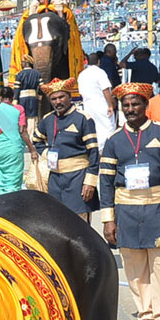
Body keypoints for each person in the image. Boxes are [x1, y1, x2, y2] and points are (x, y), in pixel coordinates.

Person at [100, 82, 160, 320]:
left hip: (157, 207)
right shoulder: (114, 140)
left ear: (146, 106)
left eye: (135, 103)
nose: (130, 108)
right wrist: (108, 219)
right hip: (125, 210)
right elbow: (105, 180)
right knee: (134, 263)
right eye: (125, 105)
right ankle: (146, 312)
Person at [31, 79, 100, 222]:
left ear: (69, 96)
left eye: (61, 97)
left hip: (78, 179)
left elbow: (93, 152)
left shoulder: (83, 119)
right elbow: (36, 140)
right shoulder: (48, 119)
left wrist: (90, 182)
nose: (58, 102)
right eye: (53, 99)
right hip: (55, 179)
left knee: (79, 223)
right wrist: (46, 154)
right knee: (57, 221)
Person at [0, 87, 38, 195]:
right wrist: (32, 149)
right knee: (14, 181)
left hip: (0, 147)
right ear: (12, 97)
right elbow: (22, 131)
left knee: (1, 182)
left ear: (0, 98)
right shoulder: (18, 109)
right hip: (14, 148)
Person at [78, 52, 116, 142]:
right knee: (107, 126)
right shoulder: (100, 73)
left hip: (88, 105)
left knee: (93, 127)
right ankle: (106, 149)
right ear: (99, 61)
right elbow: (105, 90)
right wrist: (110, 105)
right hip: (101, 103)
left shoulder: (82, 74)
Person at [13, 55, 43, 133]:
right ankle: (31, 137)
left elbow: (16, 88)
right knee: (32, 119)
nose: (21, 64)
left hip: (22, 98)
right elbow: (41, 87)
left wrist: (15, 99)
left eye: (22, 62)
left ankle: (24, 138)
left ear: (26, 63)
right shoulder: (37, 74)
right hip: (33, 98)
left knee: (22, 118)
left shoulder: (19, 74)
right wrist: (39, 97)